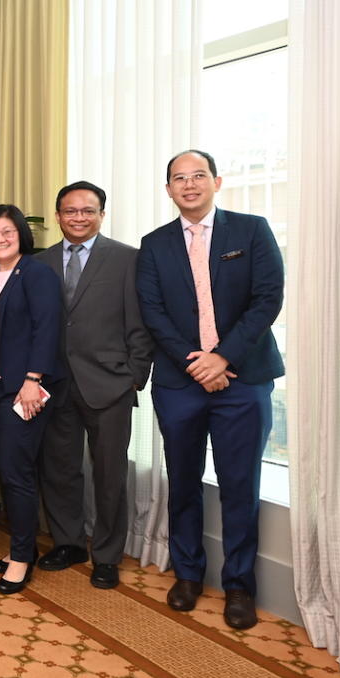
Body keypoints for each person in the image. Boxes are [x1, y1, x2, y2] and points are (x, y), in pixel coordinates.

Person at [137, 149, 284, 630]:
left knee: (241, 485)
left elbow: (267, 299)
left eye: (198, 175)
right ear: (168, 190)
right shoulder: (154, 244)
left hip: (243, 380)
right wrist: (197, 363)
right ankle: (188, 574)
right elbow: (153, 312)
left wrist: (224, 357)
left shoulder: (252, 230)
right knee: (183, 481)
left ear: (217, 182)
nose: (189, 184)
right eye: (179, 178)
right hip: (181, 383)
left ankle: (239, 585)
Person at [35, 182, 153, 590]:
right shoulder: (40, 262)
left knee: (109, 475)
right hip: (55, 385)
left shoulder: (126, 259)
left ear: (102, 214)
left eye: (88, 210)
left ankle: (106, 556)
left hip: (110, 385)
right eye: (70, 211)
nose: (79, 217)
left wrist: (134, 376)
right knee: (60, 471)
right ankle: (68, 543)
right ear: (57, 216)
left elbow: (140, 324)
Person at [0, 205, 64, 594]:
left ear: (21, 235)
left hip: (22, 387)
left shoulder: (36, 273)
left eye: (7, 231)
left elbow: (48, 327)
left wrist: (33, 379)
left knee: (17, 472)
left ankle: (22, 557)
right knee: (5, 467)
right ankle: (19, 549)